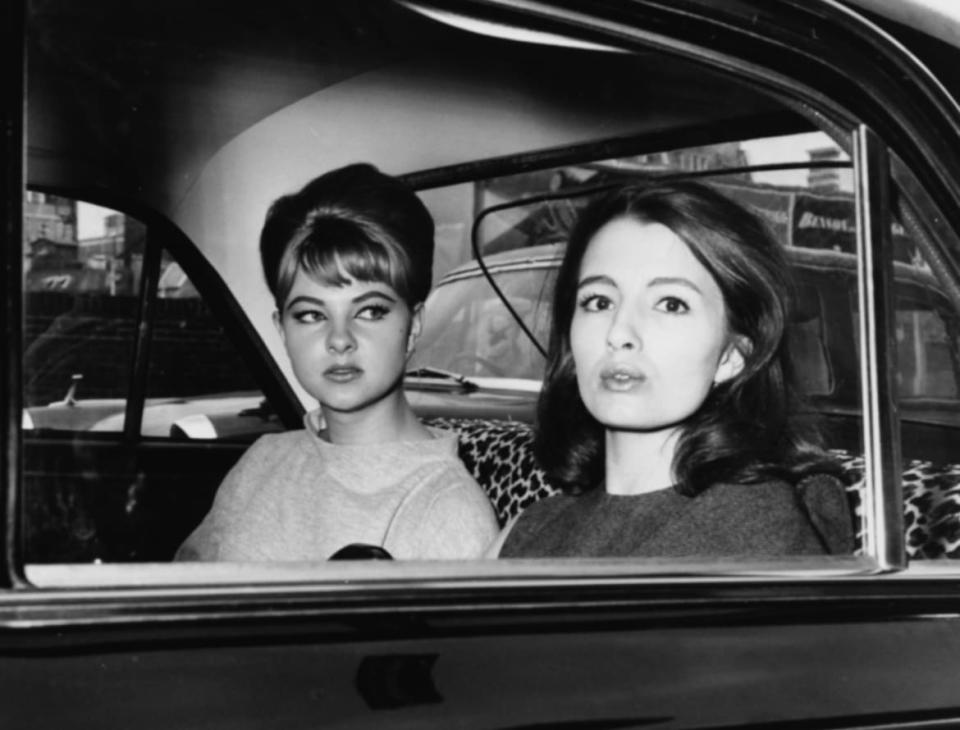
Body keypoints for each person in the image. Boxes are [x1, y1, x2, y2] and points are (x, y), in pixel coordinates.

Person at [497, 180, 854, 558]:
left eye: (670, 304)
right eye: (599, 301)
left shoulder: (759, 541)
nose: (619, 332)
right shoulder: (532, 527)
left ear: (734, 355)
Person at [177, 163, 498, 561]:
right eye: (311, 315)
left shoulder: (446, 509)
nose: (339, 339)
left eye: (370, 311)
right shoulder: (264, 459)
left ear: (413, 324)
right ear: (282, 329)